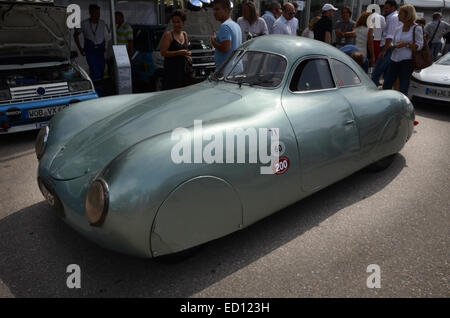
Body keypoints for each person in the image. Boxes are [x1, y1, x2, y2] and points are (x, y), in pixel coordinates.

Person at [382, 4, 423, 96]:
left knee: (403, 86)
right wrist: (392, 46)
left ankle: (402, 105)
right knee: (387, 84)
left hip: (407, 61)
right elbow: (394, 42)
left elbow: (419, 46)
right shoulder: (398, 28)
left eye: (400, 14)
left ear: (407, 15)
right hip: (394, 59)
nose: (398, 16)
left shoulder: (417, 28)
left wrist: (406, 45)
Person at [74, 4, 110, 94]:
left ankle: (99, 89)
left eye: (99, 13)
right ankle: (98, 93)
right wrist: (80, 48)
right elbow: (75, 35)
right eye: (95, 13)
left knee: (101, 70)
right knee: (95, 71)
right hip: (90, 50)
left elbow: (103, 35)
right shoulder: (84, 23)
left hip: (100, 50)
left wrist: (104, 45)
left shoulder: (102, 23)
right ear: (90, 13)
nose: (98, 15)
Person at [371, 0, 402, 87]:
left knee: (377, 72)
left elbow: (390, 36)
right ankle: (385, 89)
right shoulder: (391, 17)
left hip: (387, 48)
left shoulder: (393, 17)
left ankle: (373, 90)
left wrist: (384, 50)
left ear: (393, 8)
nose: (385, 9)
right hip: (388, 47)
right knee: (387, 74)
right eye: (384, 8)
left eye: (387, 8)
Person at [160, 10, 192, 90]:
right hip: (171, 72)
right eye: (174, 22)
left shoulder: (185, 34)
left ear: (183, 22)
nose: (176, 24)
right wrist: (179, 52)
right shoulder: (169, 35)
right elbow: (163, 53)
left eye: (178, 22)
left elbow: (186, 51)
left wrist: (188, 55)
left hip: (183, 73)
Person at [211, 0, 242, 69]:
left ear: (226, 10)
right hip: (236, 68)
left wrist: (213, 42)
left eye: (217, 9)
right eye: (214, 10)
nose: (214, 12)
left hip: (226, 71)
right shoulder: (236, 25)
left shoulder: (225, 26)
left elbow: (226, 48)